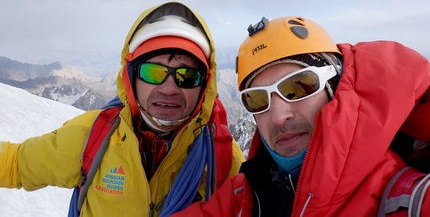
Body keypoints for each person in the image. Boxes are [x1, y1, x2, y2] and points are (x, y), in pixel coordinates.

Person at [0, 1, 245, 217]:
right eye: (153, 72)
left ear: (204, 86)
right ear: (131, 77)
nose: (169, 88)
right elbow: (15, 164)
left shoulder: (222, 159)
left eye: (187, 76)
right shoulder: (92, 137)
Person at [171, 15, 430, 216]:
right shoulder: (245, 199)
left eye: (299, 86)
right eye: (258, 99)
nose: (278, 116)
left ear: (335, 88)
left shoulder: (407, 200)